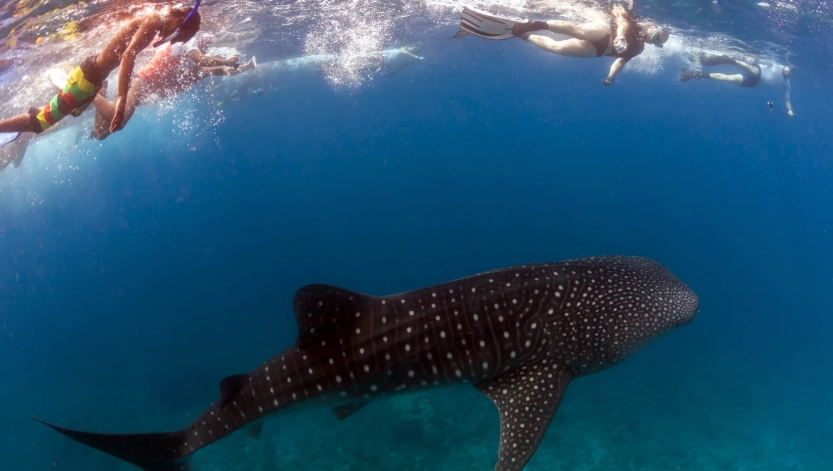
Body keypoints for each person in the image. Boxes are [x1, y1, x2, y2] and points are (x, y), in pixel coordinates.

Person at [0, 2, 201, 143]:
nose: (173, 42)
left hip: (93, 79)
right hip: (87, 77)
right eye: (178, 37)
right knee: (40, 124)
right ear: (181, 19)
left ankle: (62, 82)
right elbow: (128, 54)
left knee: (74, 113)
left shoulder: (155, 21)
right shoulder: (155, 20)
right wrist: (121, 98)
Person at [455, 3, 669, 85]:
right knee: (580, 30)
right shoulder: (636, 22)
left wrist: (611, 76)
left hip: (598, 51)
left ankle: (521, 34)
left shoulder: (638, 49)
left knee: (555, 48)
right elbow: (622, 22)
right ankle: (535, 24)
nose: (652, 39)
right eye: (656, 35)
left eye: (656, 41)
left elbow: (621, 61)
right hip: (606, 31)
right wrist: (621, 37)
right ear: (654, 27)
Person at [90, 35, 256, 140]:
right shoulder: (188, 40)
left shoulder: (186, 70)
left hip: (146, 91)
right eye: (205, 45)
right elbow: (201, 59)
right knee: (119, 121)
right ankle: (90, 92)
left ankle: (99, 88)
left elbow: (222, 71)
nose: (204, 48)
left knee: (101, 132)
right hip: (140, 81)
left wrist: (246, 67)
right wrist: (226, 61)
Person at [679, 53, 795, 117]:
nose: (786, 72)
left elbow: (787, 99)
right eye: (787, 70)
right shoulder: (776, 65)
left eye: (789, 73)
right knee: (752, 70)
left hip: (753, 82)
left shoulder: (786, 83)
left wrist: (789, 110)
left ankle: (696, 74)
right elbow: (760, 61)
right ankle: (728, 60)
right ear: (785, 67)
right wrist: (755, 59)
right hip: (757, 71)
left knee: (729, 78)